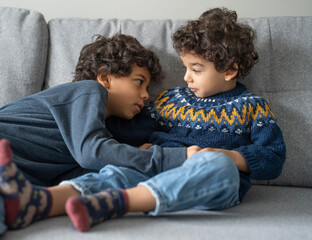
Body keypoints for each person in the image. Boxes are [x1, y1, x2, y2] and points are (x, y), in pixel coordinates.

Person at [56, 7, 284, 231]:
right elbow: (130, 129)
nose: (186, 77)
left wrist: (233, 157)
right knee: (117, 173)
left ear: (229, 70)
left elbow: (273, 157)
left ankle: (120, 202)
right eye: (185, 67)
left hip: (209, 180)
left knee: (219, 167)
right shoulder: (171, 99)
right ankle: (47, 200)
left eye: (196, 69)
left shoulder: (253, 106)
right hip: (158, 169)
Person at [0, 34, 193, 239]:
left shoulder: (88, 132)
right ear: (105, 77)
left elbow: (79, 173)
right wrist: (169, 158)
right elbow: (93, 153)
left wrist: (131, 158)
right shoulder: (87, 91)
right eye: (139, 83)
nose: (145, 96)